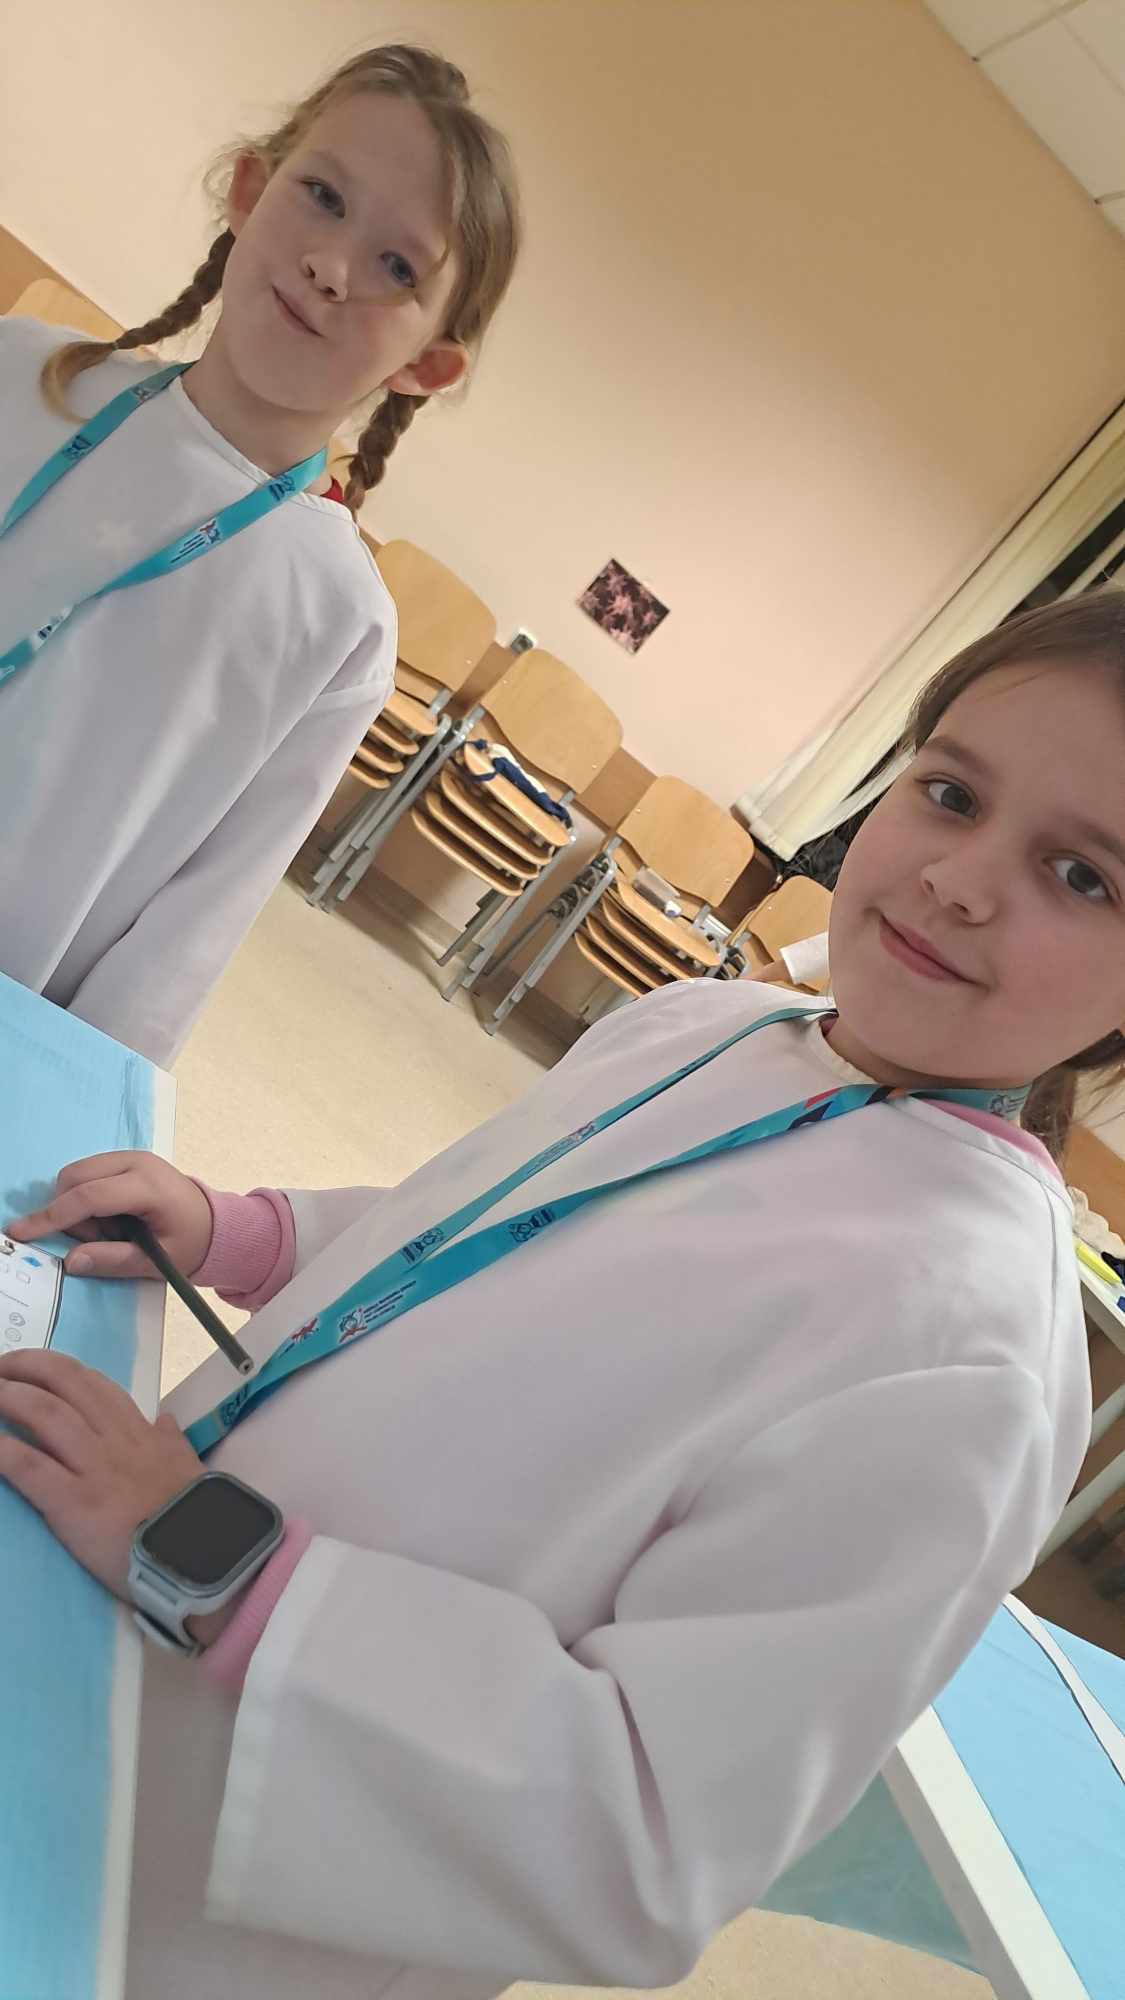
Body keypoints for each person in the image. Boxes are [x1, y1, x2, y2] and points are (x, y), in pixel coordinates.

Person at [7, 589, 1125, 2000]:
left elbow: (639, 1834)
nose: (961, 880)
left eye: (1082, 876)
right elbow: (488, 1233)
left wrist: (206, 1553)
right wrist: (245, 1232)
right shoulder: (727, 1026)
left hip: (203, 1890)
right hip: (99, 1617)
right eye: (951, 792)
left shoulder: (969, 1354)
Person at [0, 46, 520, 1063]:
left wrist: (68, 1113)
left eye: (397, 267)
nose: (332, 267)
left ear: (427, 363)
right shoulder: (22, 373)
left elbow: (189, 934)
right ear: (249, 190)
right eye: (323, 196)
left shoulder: (341, 621)